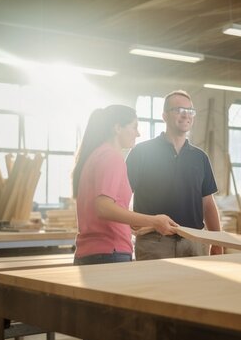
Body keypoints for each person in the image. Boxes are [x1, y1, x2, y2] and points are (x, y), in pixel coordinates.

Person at [72, 105, 178, 267]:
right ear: (117, 128)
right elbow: (104, 208)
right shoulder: (112, 157)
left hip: (91, 252)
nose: (138, 133)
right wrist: (154, 221)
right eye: (134, 127)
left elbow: (102, 209)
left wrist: (131, 223)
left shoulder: (95, 155)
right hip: (109, 251)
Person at [126, 90, 223, 260]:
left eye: (190, 111)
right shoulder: (142, 152)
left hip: (195, 242)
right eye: (178, 110)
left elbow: (207, 203)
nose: (186, 115)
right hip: (153, 243)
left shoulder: (200, 158)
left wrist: (217, 241)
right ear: (164, 116)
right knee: (154, 287)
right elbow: (122, 196)